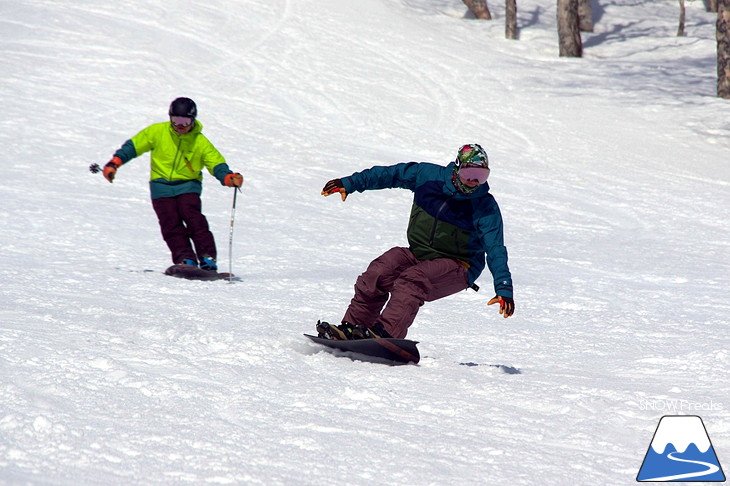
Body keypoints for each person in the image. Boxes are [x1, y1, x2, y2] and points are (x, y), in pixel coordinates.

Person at [317, 143, 514, 340]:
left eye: (481, 176)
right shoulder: (426, 176)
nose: (473, 181)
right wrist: (350, 183)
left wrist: (503, 288)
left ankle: (386, 334)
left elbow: (496, 248)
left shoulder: (485, 206)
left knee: (413, 279)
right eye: (469, 173)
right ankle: (353, 328)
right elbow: (389, 174)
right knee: (379, 271)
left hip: (460, 265)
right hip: (419, 253)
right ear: (457, 167)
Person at [98, 97, 243, 270]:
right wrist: (114, 163)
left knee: (192, 217)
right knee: (170, 222)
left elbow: (215, 162)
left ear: (193, 120)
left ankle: (207, 256)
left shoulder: (200, 141)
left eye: (185, 121)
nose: (180, 126)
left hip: (188, 184)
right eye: (176, 120)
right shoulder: (157, 132)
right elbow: (133, 147)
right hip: (161, 186)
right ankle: (185, 258)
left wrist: (227, 177)